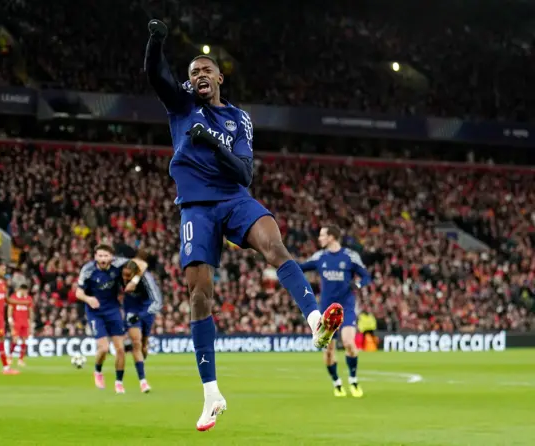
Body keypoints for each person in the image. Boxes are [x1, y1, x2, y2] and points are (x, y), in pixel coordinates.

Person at [145, 19, 341, 431]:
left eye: (205, 70)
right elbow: (154, 75)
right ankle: (211, 394)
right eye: (193, 72)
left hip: (234, 198)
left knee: (275, 245)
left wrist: (213, 142)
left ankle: (315, 322)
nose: (199, 75)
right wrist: (155, 40)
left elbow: (245, 174)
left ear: (219, 76)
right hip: (196, 207)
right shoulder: (181, 105)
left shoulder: (238, 119)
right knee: (199, 293)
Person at [298, 225, 372, 398]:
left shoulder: (350, 257)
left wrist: (358, 284)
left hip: (345, 306)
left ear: (332, 237)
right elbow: (300, 267)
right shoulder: (320, 257)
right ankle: (337, 383)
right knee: (329, 350)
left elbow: (366, 276)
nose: (319, 238)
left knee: (348, 342)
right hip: (325, 309)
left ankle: (353, 381)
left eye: (322, 235)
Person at [76, 244, 148, 393]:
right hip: (95, 311)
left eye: (106, 256)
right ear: (95, 256)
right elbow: (78, 293)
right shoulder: (88, 270)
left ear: (111, 257)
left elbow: (142, 264)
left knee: (120, 349)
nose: (103, 259)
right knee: (103, 348)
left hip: (113, 310)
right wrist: (88, 299)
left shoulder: (118, 263)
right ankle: (97, 371)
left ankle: (118, 383)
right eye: (100, 256)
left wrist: (134, 281)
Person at [122, 259, 163, 393]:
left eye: (128, 276)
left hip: (146, 311)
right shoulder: (120, 276)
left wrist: (140, 316)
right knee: (136, 344)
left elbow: (157, 303)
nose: (125, 278)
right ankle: (143, 382)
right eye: (124, 275)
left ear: (135, 274)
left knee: (144, 345)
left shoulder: (147, 280)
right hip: (131, 311)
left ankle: (140, 362)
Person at [8, 284, 34, 367]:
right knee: (15, 340)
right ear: (20, 290)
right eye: (24, 290)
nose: (25, 292)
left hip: (25, 322)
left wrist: (31, 323)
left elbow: (30, 311)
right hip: (16, 322)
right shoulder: (14, 297)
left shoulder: (28, 298)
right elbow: (10, 309)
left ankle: (21, 359)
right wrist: (10, 319)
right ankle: (10, 356)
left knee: (24, 341)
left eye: (26, 291)